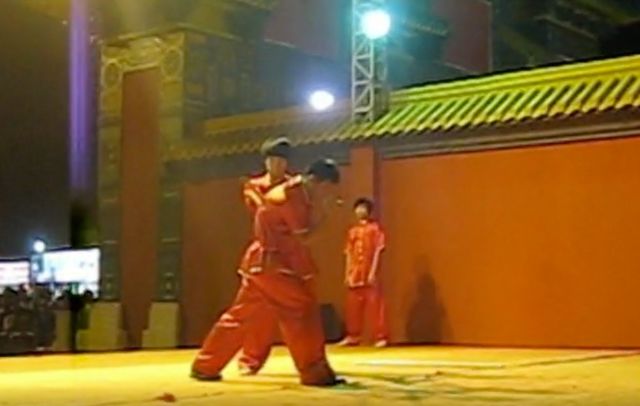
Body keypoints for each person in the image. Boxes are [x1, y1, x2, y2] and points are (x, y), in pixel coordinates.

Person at [191, 158, 344, 387]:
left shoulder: (294, 191)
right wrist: (326, 214)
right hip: (275, 266)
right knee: (301, 311)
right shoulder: (291, 196)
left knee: (240, 316)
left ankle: (205, 365)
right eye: (327, 188)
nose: (327, 194)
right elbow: (304, 236)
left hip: (262, 264)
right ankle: (314, 372)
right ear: (317, 181)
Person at [237, 136, 294, 375]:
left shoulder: (294, 186)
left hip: (288, 255)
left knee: (296, 310)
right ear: (266, 162)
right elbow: (263, 209)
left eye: (281, 160)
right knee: (254, 309)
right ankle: (250, 359)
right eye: (272, 160)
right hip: (262, 253)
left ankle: (309, 362)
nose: (276, 165)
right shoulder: (254, 186)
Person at [338, 198, 388, 348]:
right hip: (355, 273)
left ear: (369, 211)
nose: (360, 211)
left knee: (375, 305)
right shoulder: (352, 231)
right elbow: (348, 253)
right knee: (353, 306)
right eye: (358, 208)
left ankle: (380, 336)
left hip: (369, 271)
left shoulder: (375, 229)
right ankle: (353, 335)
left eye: (363, 208)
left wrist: (373, 271)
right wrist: (347, 273)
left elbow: (378, 251)